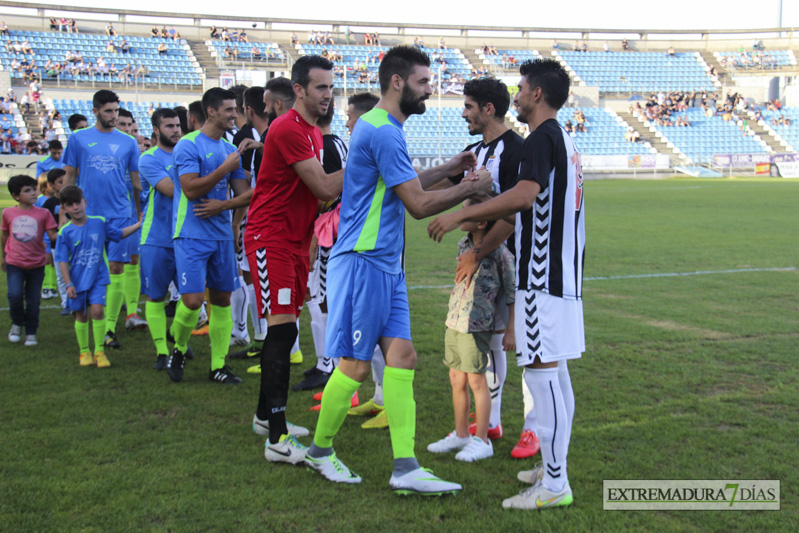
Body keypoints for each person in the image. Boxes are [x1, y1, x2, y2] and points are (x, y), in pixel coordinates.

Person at [303, 45, 491, 494]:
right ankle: (320, 452)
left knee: (403, 357)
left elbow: (403, 182)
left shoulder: (385, 128)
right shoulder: (383, 131)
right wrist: (469, 187)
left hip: (384, 265)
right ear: (398, 82)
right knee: (353, 366)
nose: (429, 90)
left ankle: (406, 468)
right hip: (364, 261)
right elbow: (418, 204)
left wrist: (448, 168)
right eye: (424, 83)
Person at [428, 58, 585, 510]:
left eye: (519, 89)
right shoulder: (565, 140)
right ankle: (553, 469)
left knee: (542, 380)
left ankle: (555, 484)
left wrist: (460, 213)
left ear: (536, 94)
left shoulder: (540, 137)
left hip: (541, 277)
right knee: (558, 379)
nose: (515, 96)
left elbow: (522, 196)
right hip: (564, 276)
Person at [429, 76, 540, 458]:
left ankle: (532, 427)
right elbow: (438, 189)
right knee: (488, 345)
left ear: (488, 109)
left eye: (468, 107)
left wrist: (477, 255)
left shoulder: (517, 151)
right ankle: (487, 423)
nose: (464, 114)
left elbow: (512, 214)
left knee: (522, 348)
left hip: (515, 264)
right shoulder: (474, 150)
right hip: (482, 264)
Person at [243, 55, 344, 462]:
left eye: (331, 88)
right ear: (299, 90)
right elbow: (322, 186)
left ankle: (266, 417)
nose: (328, 95)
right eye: (321, 87)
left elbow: (317, 196)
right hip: (271, 238)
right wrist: (368, 164)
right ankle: (277, 439)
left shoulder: (313, 133)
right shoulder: (287, 129)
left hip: (296, 241)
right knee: (282, 333)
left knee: (286, 330)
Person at [167, 87, 249, 385]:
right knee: (191, 301)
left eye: (236, 109)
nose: (234, 115)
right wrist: (224, 169)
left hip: (221, 236)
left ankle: (219, 365)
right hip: (190, 234)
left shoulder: (231, 150)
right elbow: (190, 190)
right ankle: (177, 348)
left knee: (222, 300)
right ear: (212, 111)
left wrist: (229, 206)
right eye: (229, 110)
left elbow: (244, 195)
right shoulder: (188, 145)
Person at [427, 196, 515, 462]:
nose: (461, 216)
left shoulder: (500, 253)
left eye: (467, 213)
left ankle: (482, 440)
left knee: (477, 380)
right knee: (456, 378)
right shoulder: (463, 245)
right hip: (454, 321)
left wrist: (511, 330)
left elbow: (512, 293)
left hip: (477, 325)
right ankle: (461, 434)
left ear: (482, 221)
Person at [61, 90, 142, 351]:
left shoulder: (128, 142)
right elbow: (70, 176)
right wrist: (65, 210)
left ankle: (108, 328)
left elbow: (135, 181)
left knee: (117, 268)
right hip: (88, 216)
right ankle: (87, 320)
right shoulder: (78, 138)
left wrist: (141, 210)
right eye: (108, 111)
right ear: (95, 111)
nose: (113, 115)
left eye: (116, 111)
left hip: (120, 212)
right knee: (90, 269)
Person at [56, 186, 141, 368]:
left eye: (78, 202)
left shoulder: (99, 222)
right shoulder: (65, 232)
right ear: (64, 209)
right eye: (70, 205)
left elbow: (119, 234)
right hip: (77, 281)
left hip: (98, 278)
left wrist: (139, 224)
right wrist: (68, 283)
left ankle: (99, 352)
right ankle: (84, 351)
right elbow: (62, 260)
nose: (76, 207)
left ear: (85, 202)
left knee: (97, 311)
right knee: (81, 315)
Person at [138, 108, 183, 370]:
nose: (176, 130)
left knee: (192, 298)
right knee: (156, 297)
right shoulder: (149, 158)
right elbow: (170, 190)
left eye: (177, 125)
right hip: (157, 238)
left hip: (187, 237)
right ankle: (162, 352)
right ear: (156, 130)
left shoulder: (187, 150)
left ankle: (178, 341)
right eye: (169, 126)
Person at [2, 175, 58, 347]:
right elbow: (4, 235)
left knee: (33, 300)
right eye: (27, 190)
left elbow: (53, 236)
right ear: (16, 196)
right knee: (15, 295)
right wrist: (2, 257)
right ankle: (17, 324)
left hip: (37, 264)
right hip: (14, 263)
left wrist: (65, 224)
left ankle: (31, 332)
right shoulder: (8, 213)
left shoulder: (44, 213)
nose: (34, 193)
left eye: (34, 189)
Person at [114, 109, 147, 332]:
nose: (128, 131)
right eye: (123, 126)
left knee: (133, 261)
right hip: (114, 217)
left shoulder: (142, 155)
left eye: (132, 127)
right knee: (113, 266)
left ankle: (132, 313)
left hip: (136, 217)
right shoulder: (111, 155)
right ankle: (105, 319)